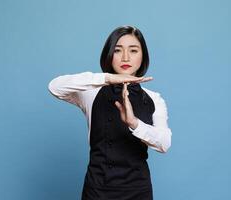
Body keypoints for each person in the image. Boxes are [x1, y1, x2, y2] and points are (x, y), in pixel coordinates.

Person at [48, 25, 172, 200]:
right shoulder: (90, 92)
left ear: (143, 56)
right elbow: (55, 87)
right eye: (118, 50)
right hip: (97, 190)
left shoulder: (154, 98)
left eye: (134, 50)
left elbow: (164, 143)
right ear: (109, 55)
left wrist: (134, 123)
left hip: (138, 190)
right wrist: (106, 78)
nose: (126, 57)